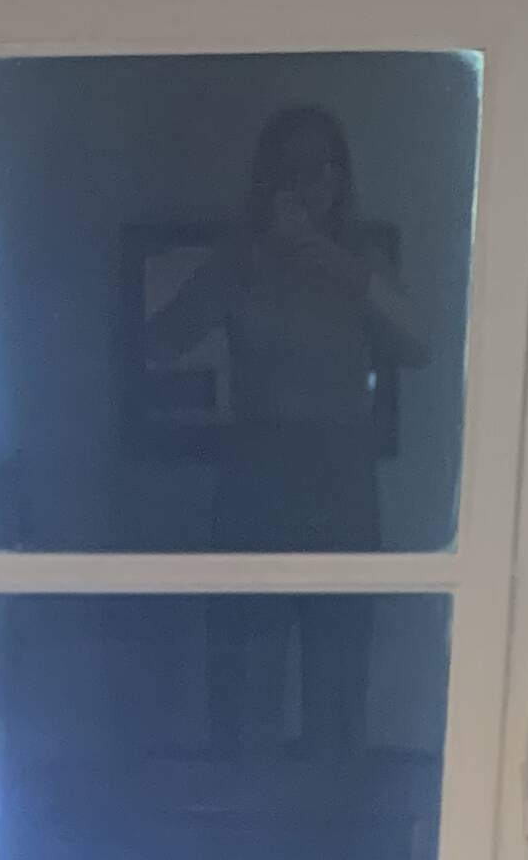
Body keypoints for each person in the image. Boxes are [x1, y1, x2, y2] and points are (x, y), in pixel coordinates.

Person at [146, 103, 426, 759]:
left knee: (340, 668)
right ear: (268, 178)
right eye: (291, 168)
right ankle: (248, 807)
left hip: (341, 479)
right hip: (257, 477)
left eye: (322, 167)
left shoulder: (360, 262)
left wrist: (339, 266)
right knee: (247, 671)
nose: (307, 183)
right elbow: (159, 344)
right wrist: (230, 272)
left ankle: (335, 809)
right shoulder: (239, 262)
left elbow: (421, 345)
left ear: (341, 178)